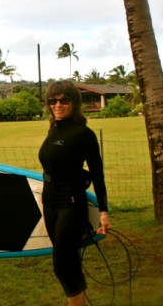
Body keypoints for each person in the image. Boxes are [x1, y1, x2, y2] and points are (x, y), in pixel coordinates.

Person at [38, 80, 111, 306]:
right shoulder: (53, 129)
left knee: (61, 265)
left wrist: (103, 212)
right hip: (50, 200)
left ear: (74, 103)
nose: (57, 105)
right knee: (69, 262)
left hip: (71, 202)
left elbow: (97, 174)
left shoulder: (84, 134)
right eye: (52, 100)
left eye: (64, 100)